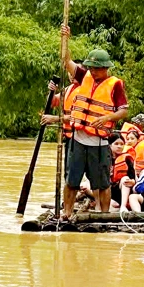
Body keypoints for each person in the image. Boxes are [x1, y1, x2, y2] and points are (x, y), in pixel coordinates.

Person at [60, 25, 129, 217]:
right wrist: (66, 39)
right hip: (78, 139)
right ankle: (67, 212)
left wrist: (107, 118)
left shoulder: (115, 84)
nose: (93, 71)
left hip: (99, 142)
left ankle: (104, 215)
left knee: (102, 183)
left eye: (97, 68)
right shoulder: (84, 76)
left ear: (106, 68)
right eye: (91, 67)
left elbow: (123, 110)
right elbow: (67, 61)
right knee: (71, 180)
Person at [41, 74, 81, 180]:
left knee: (73, 171)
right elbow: (52, 103)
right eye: (70, 73)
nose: (72, 76)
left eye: (75, 73)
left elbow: (77, 117)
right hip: (69, 137)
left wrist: (55, 119)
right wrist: (52, 91)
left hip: (80, 137)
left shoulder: (84, 90)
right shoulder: (68, 89)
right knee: (68, 172)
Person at [108, 133, 136, 213]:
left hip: (120, 189)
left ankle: (123, 207)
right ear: (110, 145)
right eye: (116, 144)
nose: (119, 146)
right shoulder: (104, 158)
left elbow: (132, 176)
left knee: (125, 179)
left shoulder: (126, 158)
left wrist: (132, 181)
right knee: (86, 185)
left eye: (121, 144)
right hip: (106, 189)